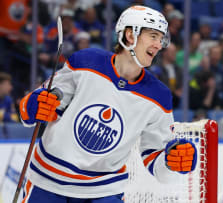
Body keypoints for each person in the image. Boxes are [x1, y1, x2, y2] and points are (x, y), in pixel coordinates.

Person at [19, 5, 197, 202]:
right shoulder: (86, 62)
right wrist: (35, 105)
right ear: (130, 35)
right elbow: (35, 110)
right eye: (153, 36)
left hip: (102, 191)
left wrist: (173, 162)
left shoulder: (159, 96)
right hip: (48, 180)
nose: (158, 44)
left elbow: (157, 162)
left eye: (161, 38)